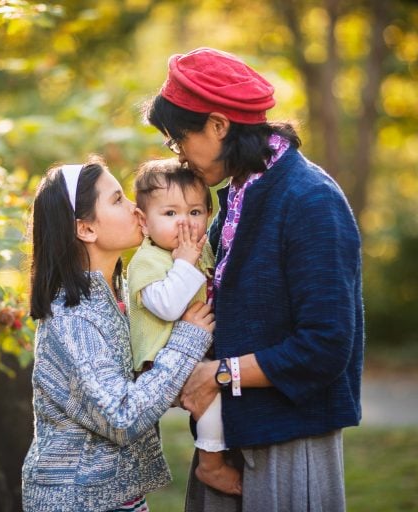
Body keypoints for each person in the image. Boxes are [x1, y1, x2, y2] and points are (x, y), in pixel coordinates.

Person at [144, 47, 364, 511]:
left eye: (179, 138)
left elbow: (325, 345)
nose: (178, 154)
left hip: (290, 437)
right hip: (234, 432)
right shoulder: (240, 195)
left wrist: (220, 375)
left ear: (219, 125)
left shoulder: (309, 199)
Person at [21, 157, 214, 512]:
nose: (137, 209)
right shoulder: (73, 318)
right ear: (86, 229)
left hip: (114, 495)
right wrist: (187, 340)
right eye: (117, 200)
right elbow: (122, 416)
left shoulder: (117, 294)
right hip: (77, 498)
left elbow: (134, 386)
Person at [128, 158, 241, 496]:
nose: (184, 223)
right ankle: (211, 465)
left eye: (195, 212)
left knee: (220, 388)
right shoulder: (145, 260)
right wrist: (185, 263)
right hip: (159, 362)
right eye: (170, 213)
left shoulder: (200, 249)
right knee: (213, 395)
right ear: (144, 222)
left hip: (195, 354)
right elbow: (167, 305)